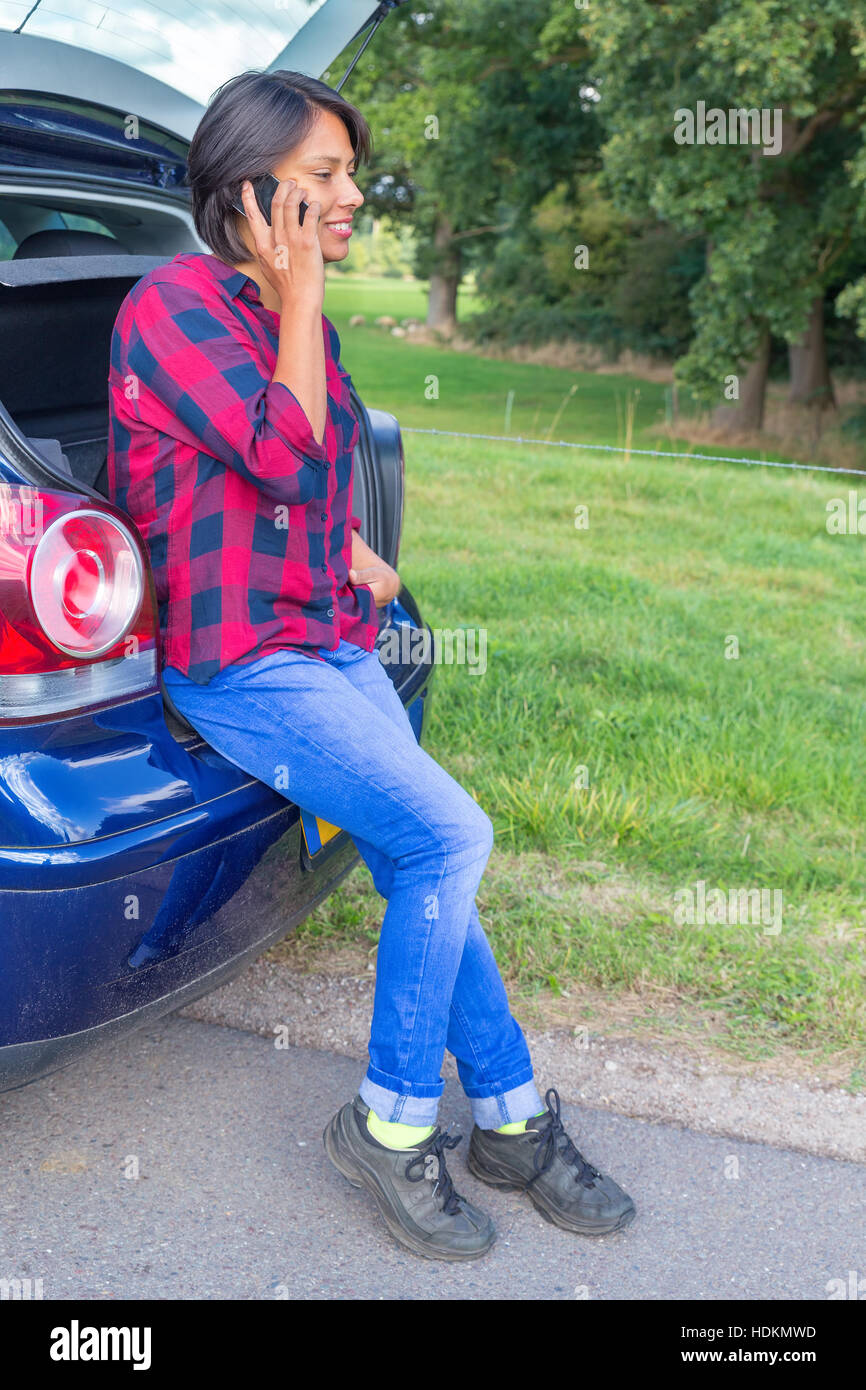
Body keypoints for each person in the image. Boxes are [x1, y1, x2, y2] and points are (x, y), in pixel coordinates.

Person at [107, 69, 636, 1262]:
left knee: (419, 845)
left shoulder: (290, 313)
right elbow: (283, 452)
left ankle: (509, 1119)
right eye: (322, 179)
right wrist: (301, 301)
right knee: (450, 835)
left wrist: (350, 548)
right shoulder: (170, 305)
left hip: (324, 629)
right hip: (238, 658)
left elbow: (298, 468)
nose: (352, 196)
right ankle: (392, 1127)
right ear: (248, 192)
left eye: (350, 172)